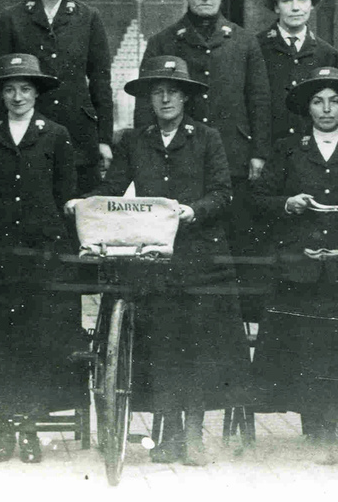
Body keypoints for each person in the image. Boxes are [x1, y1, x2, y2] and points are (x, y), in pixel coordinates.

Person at [68, 56, 249, 466]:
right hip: (154, 256)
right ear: (150, 99)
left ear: (185, 97)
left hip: (202, 257)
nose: (165, 98)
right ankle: (167, 433)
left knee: (199, 344)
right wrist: (90, 203)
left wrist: (193, 211)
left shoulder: (207, 138)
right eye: (158, 92)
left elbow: (223, 192)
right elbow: (115, 188)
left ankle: (194, 435)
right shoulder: (134, 141)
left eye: (173, 91)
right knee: (163, 344)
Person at [251, 67, 338, 444]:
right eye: (318, 101)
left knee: (336, 346)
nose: (326, 109)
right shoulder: (289, 151)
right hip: (299, 263)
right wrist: (287, 203)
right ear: (308, 108)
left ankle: (334, 420)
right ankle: (314, 424)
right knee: (303, 344)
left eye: (334, 101)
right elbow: (258, 199)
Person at [0, 54, 80, 465]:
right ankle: (4, 431)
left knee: (36, 340)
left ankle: (29, 429)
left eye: (25, 89)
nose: (17, 96)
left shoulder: (57, 135)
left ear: (36, 93)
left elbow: (66, 195)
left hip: (40, 253)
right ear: (1, 94)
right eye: (9, 88)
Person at [136, 0, 270, 256]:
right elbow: (146, 102)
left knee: (234, 237)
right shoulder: (164, 41)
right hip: (180, 157)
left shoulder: (244, 41)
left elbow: (259, 100)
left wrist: (259, 153)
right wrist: (144, 154)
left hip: (234, 153)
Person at [0, 0, 113, 193]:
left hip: (78, 132)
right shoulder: (13, 18)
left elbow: (101, 82)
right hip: (26, 127)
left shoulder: (88, 18)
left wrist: (103, 139)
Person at [256, 0, 338, 142]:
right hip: (271, 148)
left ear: (311, 5)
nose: (296, 7)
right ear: (276, 7)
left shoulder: (326, 53)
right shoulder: (256, 46)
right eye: (287, 1)